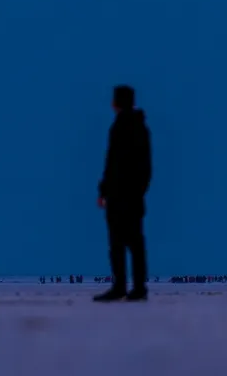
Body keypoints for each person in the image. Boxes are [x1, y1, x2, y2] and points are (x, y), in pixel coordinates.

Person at [93, 84, 152, 302]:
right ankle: (131, 287)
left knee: (125, 243)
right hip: (126, 195)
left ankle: (128, 287)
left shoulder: (126, 127)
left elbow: (115, 163)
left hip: (124, 195)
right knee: (129, 243)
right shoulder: (135, 126)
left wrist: (108, 190)